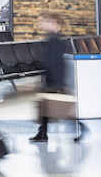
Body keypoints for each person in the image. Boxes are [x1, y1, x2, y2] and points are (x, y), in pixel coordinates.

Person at [30, 12, 84, 143]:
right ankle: (42, 133)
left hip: (55, 79)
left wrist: (56, 81)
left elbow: (56, 63)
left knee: (60, 110)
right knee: (45, 107)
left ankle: (82, 128)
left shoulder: (56, 40)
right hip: (51, 78)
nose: (43, 24)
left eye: (46, 22)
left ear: (54, 23)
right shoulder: (52, 38)